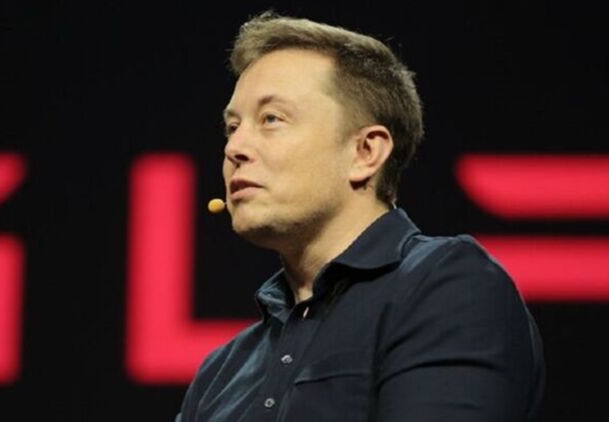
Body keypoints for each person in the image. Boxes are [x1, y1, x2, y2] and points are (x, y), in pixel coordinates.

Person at [176, 10, 544, 422]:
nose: (235, 148)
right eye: (232, 127)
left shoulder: (447, 287)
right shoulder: (221, 373)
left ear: (365, 152)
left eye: (271, 119)